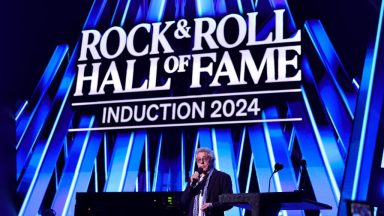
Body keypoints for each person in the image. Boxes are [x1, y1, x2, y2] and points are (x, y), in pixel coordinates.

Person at [181, 147, 233, 216]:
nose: (201, 162)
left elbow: (229, 202)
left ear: (212, 160)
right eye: (199, 160)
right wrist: (191, 184)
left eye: (204, 159)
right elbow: (184, 201)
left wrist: (212, 205)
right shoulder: (193, 179)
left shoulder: (223, 177)